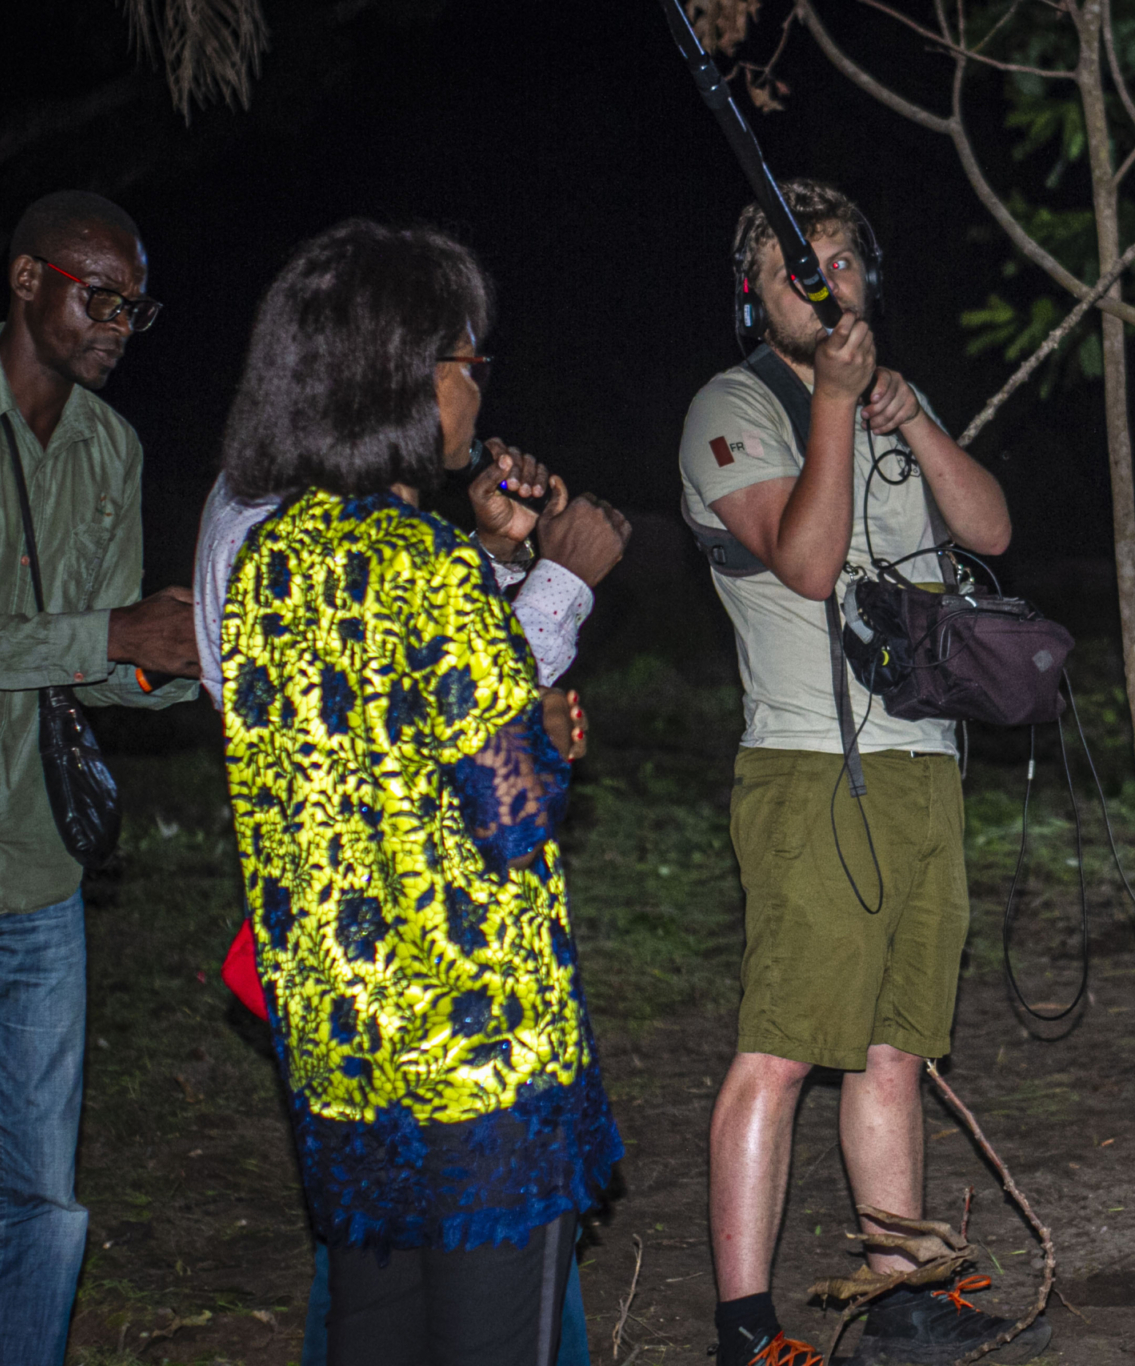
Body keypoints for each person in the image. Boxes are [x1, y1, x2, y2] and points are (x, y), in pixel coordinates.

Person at [216, 218, 628, 1366]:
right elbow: (508, 809)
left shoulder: (272, 561)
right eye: (466, 361)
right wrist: (540, 739)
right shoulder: (427, 567)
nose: (476, 386)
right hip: (477, 1055)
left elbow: (344, 770)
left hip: (350, 1056)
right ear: (397, 374)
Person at [678, 180, 1040, 1366]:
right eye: (794, 261)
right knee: (781, 1045)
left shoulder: (893, 396)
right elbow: (808, 559)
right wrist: (834, 404)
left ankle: (904, 1297)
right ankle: (745, 1328)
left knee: (896, 1047)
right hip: (806, 767)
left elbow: (986, 530)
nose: (820, 277)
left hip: (922, 761)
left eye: (838, 257)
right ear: (755, 289)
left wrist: (912, 418)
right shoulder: (728, 407)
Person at [0, 189, 202, 1363]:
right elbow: (82, 634)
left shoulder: (110, 450)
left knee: (42, 1202)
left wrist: (194, 664)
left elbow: (95, 667)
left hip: (34, 872)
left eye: (136, 304)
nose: (121, 322)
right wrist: (110, 636)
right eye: (98, 295)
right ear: (27, 281)